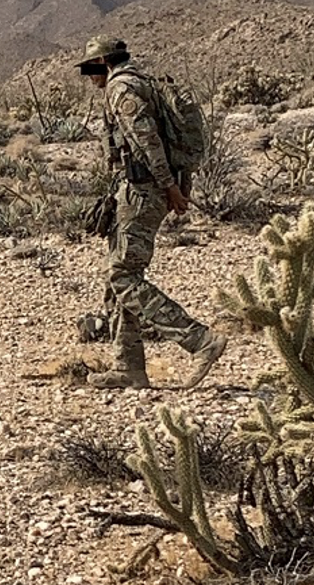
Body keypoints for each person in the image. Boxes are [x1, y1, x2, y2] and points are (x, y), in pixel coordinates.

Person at [79, 36, 227, 389]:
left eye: (90, 69)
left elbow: (148, 142)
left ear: (103, 62)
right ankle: (128, 366)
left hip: (143, 192)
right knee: (119, 274)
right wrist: (176, 186)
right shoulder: (143, 82)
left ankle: (199, 340)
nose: (89, 77)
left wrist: (171, 188)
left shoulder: (122, 88)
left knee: (122, 275)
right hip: (140, 190)